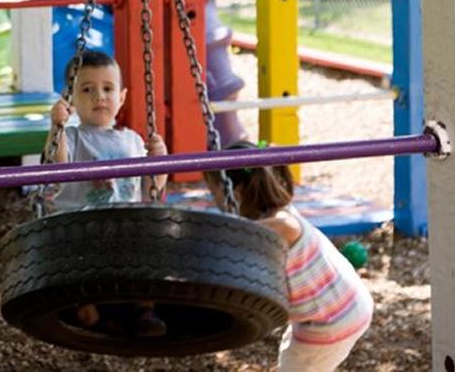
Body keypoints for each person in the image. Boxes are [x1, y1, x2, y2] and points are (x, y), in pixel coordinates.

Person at [205, 143, 374, 371]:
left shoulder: (281, 224)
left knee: (299, 365)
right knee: (292, 359)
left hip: (332, 320)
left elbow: (232, 240)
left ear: (235, 193)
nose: (212, 199)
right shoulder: (270, 214)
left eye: (213, 192)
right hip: (335, 307)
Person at [45, 49, 168, 336]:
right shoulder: (73, 137)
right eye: (87, 90)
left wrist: (160, 161)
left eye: (107, 89)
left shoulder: (134, 141)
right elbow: (57, 161)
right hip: (82, 226)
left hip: (125, 226)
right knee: (83, 271)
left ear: (121, 97)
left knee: (150, 247)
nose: (99, 96)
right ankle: (89, 313)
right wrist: (57, 126)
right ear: (71, 99)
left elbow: (153, 186)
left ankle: (144, 309)